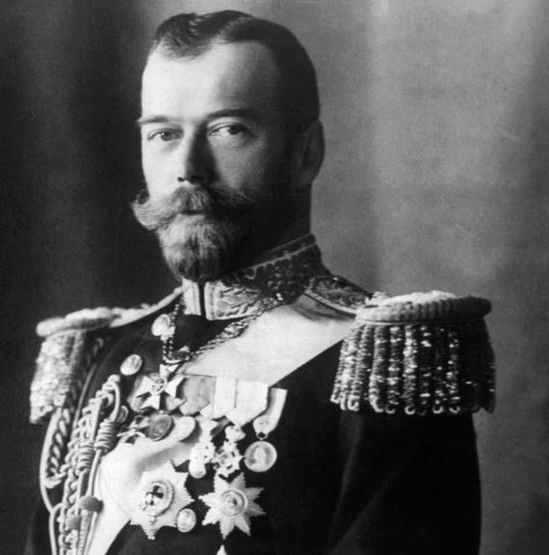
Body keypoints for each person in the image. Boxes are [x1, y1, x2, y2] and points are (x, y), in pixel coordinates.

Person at [25, 10, 495, 555]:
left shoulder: (385, 369)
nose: (188, 168)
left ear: (306, 154)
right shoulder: (99, 358)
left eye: (229, 130)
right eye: (164, 134)